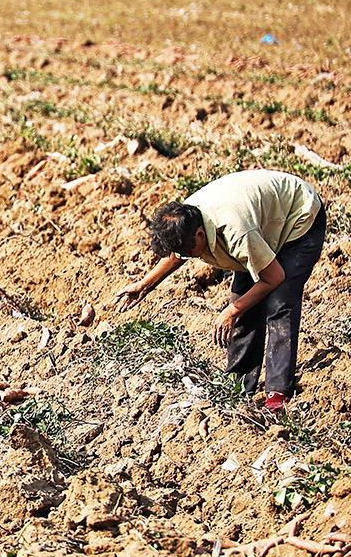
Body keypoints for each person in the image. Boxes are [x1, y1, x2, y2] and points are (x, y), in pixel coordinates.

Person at [114, 169, 326, 411]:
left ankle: (278, 394)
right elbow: (177, 254)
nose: (187, 258)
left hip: (298, 218)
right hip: (261, 225)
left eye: (188, 252)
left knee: (280, 303)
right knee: (244, 305)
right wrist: (145, 285)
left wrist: (231, 310)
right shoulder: (186, 219)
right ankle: (238, 386)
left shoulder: (237, 232)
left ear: (200, 234)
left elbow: (274, 277)